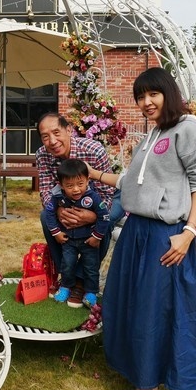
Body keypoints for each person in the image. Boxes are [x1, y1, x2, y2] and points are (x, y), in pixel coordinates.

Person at [86, 67, 196, 390]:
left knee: (152, 314)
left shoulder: (187, 130)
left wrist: (188, 232)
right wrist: (92, 174)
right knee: (129, 307)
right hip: (137, 232)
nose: (145, 102)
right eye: (140, 97)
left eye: (152, 94)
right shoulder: (152, 134)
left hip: (163, 235)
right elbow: (130, 182)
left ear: (168, 93)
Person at [36, 113, 122, 307]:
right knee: (45, 216)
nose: (52, 141)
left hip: (106, 198)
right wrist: (58, 211)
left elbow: (106, 192)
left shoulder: (93, 149)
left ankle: (82, 280)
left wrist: (92, 216)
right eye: (45, 136)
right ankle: (67, 277)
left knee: (105, 221)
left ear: (69, 130)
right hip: (67, 203)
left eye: (56, 133)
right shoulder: (43, 154)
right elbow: (46, 190)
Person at [45, 158, 109, 308]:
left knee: (91, 267)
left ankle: (91, 292)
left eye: (80, 184)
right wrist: (56, 233)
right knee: (67, 265)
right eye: (69, 186)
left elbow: (104, 217)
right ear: (61, 185)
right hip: (69, 241)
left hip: (89, 241)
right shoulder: (58, 197)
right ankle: (66, 287)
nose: (76, 189)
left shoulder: (93, 198)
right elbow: (48, 214)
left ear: (87, 180)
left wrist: (96, 237)